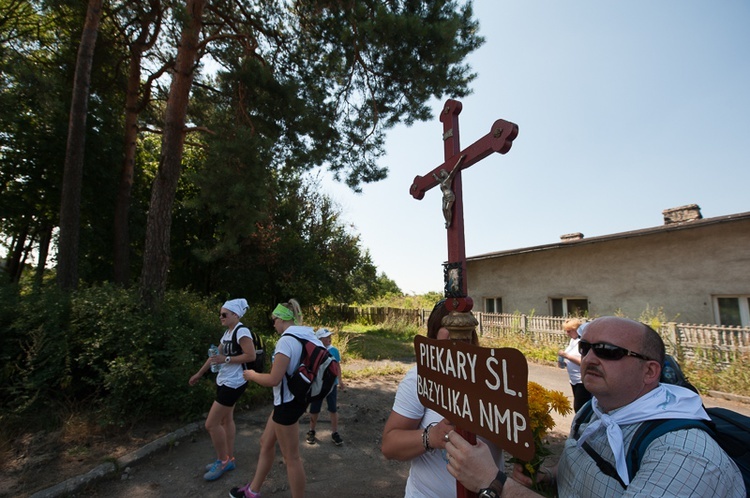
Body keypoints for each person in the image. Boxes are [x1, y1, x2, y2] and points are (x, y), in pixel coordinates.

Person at [444, 316, 746, 497]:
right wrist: (548, 479)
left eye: (608, 351)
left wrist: (495, 484)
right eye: (586, 347)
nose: (589, 358)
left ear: (650, 371)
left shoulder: (683, 455)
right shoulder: (593, 411)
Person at [381, 300, 504, 498]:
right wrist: (432, 436)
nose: (459, 332)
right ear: (434, 333)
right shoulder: (419, 378)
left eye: (467, 325)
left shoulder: (493, 379)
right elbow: (389, 445)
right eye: (449, 325)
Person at [229, 299, 322, 498]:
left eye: (274, 319)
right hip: (294, 400)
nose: (273, 324)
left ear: (282, 319)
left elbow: (273, 379)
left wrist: (252, 375)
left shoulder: (286, 341)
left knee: (292, 458)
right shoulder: (309, 336)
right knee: (266, 442)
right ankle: (253, 490)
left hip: (287, 405)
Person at [188, 298, 256, 481]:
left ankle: (222, 460)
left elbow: (250, 355)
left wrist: (226, 359)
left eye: (224, 314)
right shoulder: (227, 333)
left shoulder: (242, 331)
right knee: (226, 420)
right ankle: (230, 458)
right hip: (224, 380)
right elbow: (214, 357)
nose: (221, 317)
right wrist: (199, 374)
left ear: (235, 314)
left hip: (234, 383)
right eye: (220, 314)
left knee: (211, 424)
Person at [306, 327, 344, 446]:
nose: (329, 339)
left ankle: (335, 433)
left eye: (330, 337)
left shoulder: (334, 351)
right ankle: (311, 431)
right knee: (315, 409)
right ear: (319, 339)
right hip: (318, 385)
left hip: (331, 385)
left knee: (333, 408)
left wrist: (340, 380)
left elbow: (337, 366)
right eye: (326, 337)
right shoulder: (315, 350)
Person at [557, 318, 592, 412]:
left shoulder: (582, 342)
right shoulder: (573, 341)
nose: (567, 334)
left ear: (576, 329)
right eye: (566, 331)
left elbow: (583, 362)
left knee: (580, 408)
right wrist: (563, 362)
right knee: (578, 407)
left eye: (569, 331)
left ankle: (580, 426)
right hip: (573, 379)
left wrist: (566, 356)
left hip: (582, 380)